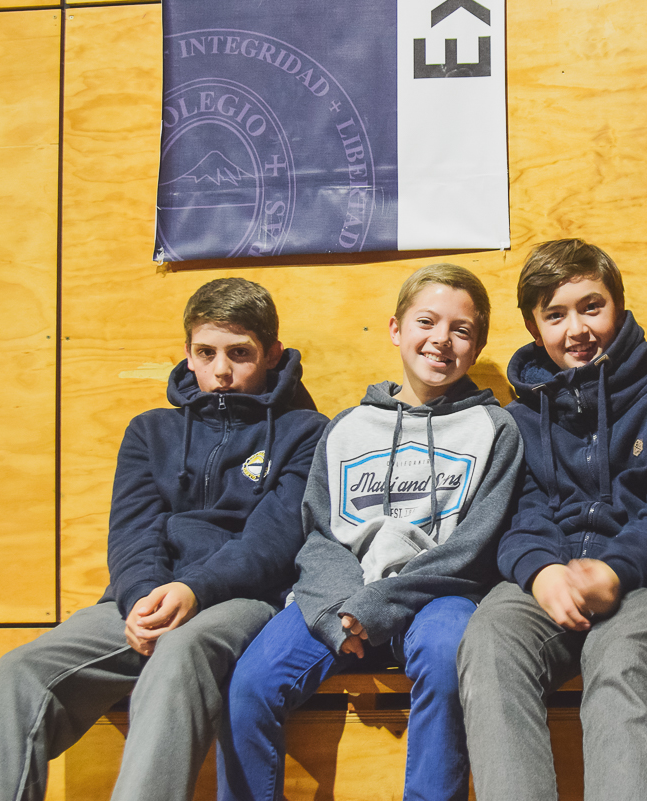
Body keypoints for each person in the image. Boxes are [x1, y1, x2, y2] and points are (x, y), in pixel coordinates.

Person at [0, 278, 326, 801]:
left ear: (271, 354)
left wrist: (194, 590)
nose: (221, 370)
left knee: (179, 651)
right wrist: (142, 599)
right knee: (18, 673)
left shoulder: (306, 431)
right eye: (206, 353)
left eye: (239, 353)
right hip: (144, 599)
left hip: (244, 599)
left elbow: (273, 542)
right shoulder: (149, 432)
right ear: (188, 354)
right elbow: (132, 531)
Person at [217, 264, 522, 801]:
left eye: (461, 330)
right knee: (251, 683)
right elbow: (320, 534)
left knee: (447, 659)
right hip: (344, 594)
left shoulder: (496, 429)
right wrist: (337, 607)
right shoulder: (347, 426)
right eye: (426, 321)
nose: (441, 339)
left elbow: (475, 544)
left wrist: (383, 602)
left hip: (438, 593)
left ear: (476, 347)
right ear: (396, 329)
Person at [456, 239, 647, 801]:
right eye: (555, 315)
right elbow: (517, 514)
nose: (576, 329)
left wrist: (616, 569)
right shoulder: (519, 418)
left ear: (618, 308)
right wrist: (540, 571)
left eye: (591, 307)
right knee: (490, 638)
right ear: (534, 329)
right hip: (553, 579)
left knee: (622, 654)